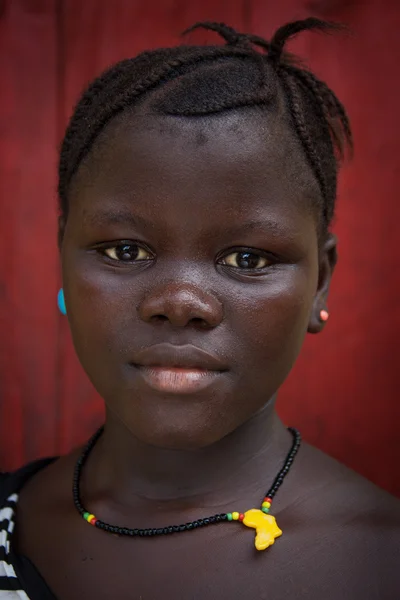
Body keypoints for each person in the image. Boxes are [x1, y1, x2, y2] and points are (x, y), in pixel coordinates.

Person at [1, 17, 399, 600]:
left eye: (247, 259)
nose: (181, 303)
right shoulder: (16, 517)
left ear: (321, 283)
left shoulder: (381, 564)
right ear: (63, 258)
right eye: (126, 250)